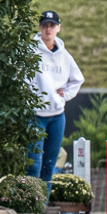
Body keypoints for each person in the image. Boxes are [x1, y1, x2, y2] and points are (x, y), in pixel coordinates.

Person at [27, 10, 84, 197]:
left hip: (57, 115)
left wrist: (64, 95)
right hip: (35, 115)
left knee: (50, 163)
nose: (48, 29)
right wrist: (28, 97)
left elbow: (77, 80)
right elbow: (18, 76)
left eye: (52, 25)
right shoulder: (30, 50)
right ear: (40, 28)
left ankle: (43, 204)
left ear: (58, 28)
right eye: (44, 25)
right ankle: (30, 204)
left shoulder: (64, 56)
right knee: (33, 163)